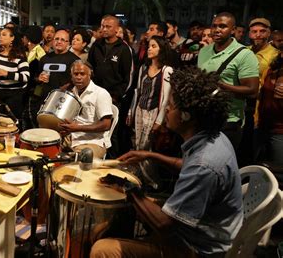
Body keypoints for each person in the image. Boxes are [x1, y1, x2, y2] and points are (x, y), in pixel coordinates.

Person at [90, 67, 243, 258]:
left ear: (186, 116)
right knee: (125, 210)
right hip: (197, 230)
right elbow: (186, 165)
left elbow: (164, 225)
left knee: (102, 250)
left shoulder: (204, 164)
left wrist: (128, 187)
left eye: (170, 105)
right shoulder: (212, 136)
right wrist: (149, 155)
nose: (167, 109)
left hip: (198, 248)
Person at [198, 12, 259, 161]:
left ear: (233, 30)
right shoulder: (204, 50)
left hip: (229, 122)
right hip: (203, 117)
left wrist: (220, 86)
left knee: (218, 165)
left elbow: (252, 91)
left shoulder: (244, 55)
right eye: (214, 26)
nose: (217, 30)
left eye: (223, 26)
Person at [88, 15, 135, 157]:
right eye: (102, 26)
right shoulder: (96, 45)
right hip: (95, 96)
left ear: (117, 29)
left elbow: (129, 78)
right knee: (94, 131)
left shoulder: (124, 49)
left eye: (108, 26)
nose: (104, 29)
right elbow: (89, 66)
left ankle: (112, 164)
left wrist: (115, 96)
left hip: (114, 99)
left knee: (112, 135)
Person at [128, 36, 174, 150]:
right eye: (149, 46)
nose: (149, 49)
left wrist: (159, 121)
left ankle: (147, 168)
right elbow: (137, 92)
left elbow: (165, 98)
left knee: (148, 145)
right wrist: (131, 111)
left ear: (161, 49)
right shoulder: (143, 68)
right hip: (140, 109)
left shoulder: (166, 70)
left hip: (153, 111)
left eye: (153, 46)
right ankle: (138, 168)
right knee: (138, 144)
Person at [59, 61, 112, 159]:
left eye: (82, 74)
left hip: (93, 142)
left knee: (81, 158)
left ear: (90, 75)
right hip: (70, 139)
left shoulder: (100, 93)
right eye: (75, 74)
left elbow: (106, 124)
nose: (78, 77)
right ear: (71, 76)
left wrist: (77, 128)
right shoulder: (70, 92)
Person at [254, 30, 283, 162]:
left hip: (280, 131)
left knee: (278, 173)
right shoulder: (271, 70)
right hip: (263, 126)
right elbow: (262, 96)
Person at [0, 28, 30, 124]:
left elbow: (26, 77)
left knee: (11, 124)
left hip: (15, 95)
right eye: (0, 34)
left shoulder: (19, 56)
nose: (0, 37)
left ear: (12, 38)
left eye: (4, 35)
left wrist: (7, 74)